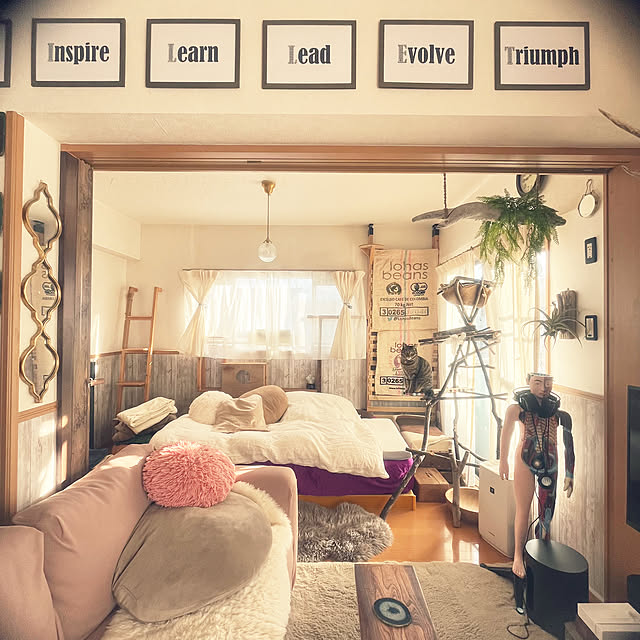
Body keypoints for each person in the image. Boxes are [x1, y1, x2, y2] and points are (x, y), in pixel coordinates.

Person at [499, 373, 575, 578]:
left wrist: (570, 473)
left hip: (550, 463)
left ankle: (541, 556)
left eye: (548, 383)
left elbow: (569, 446)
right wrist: (503, 460)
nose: (544, 388)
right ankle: (518, 556)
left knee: (546, 514)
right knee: (523, 510)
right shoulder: (516, 410)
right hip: (525, 459)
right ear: (528, 383)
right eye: (538, 383)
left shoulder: (561, 416)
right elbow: (505, 434)